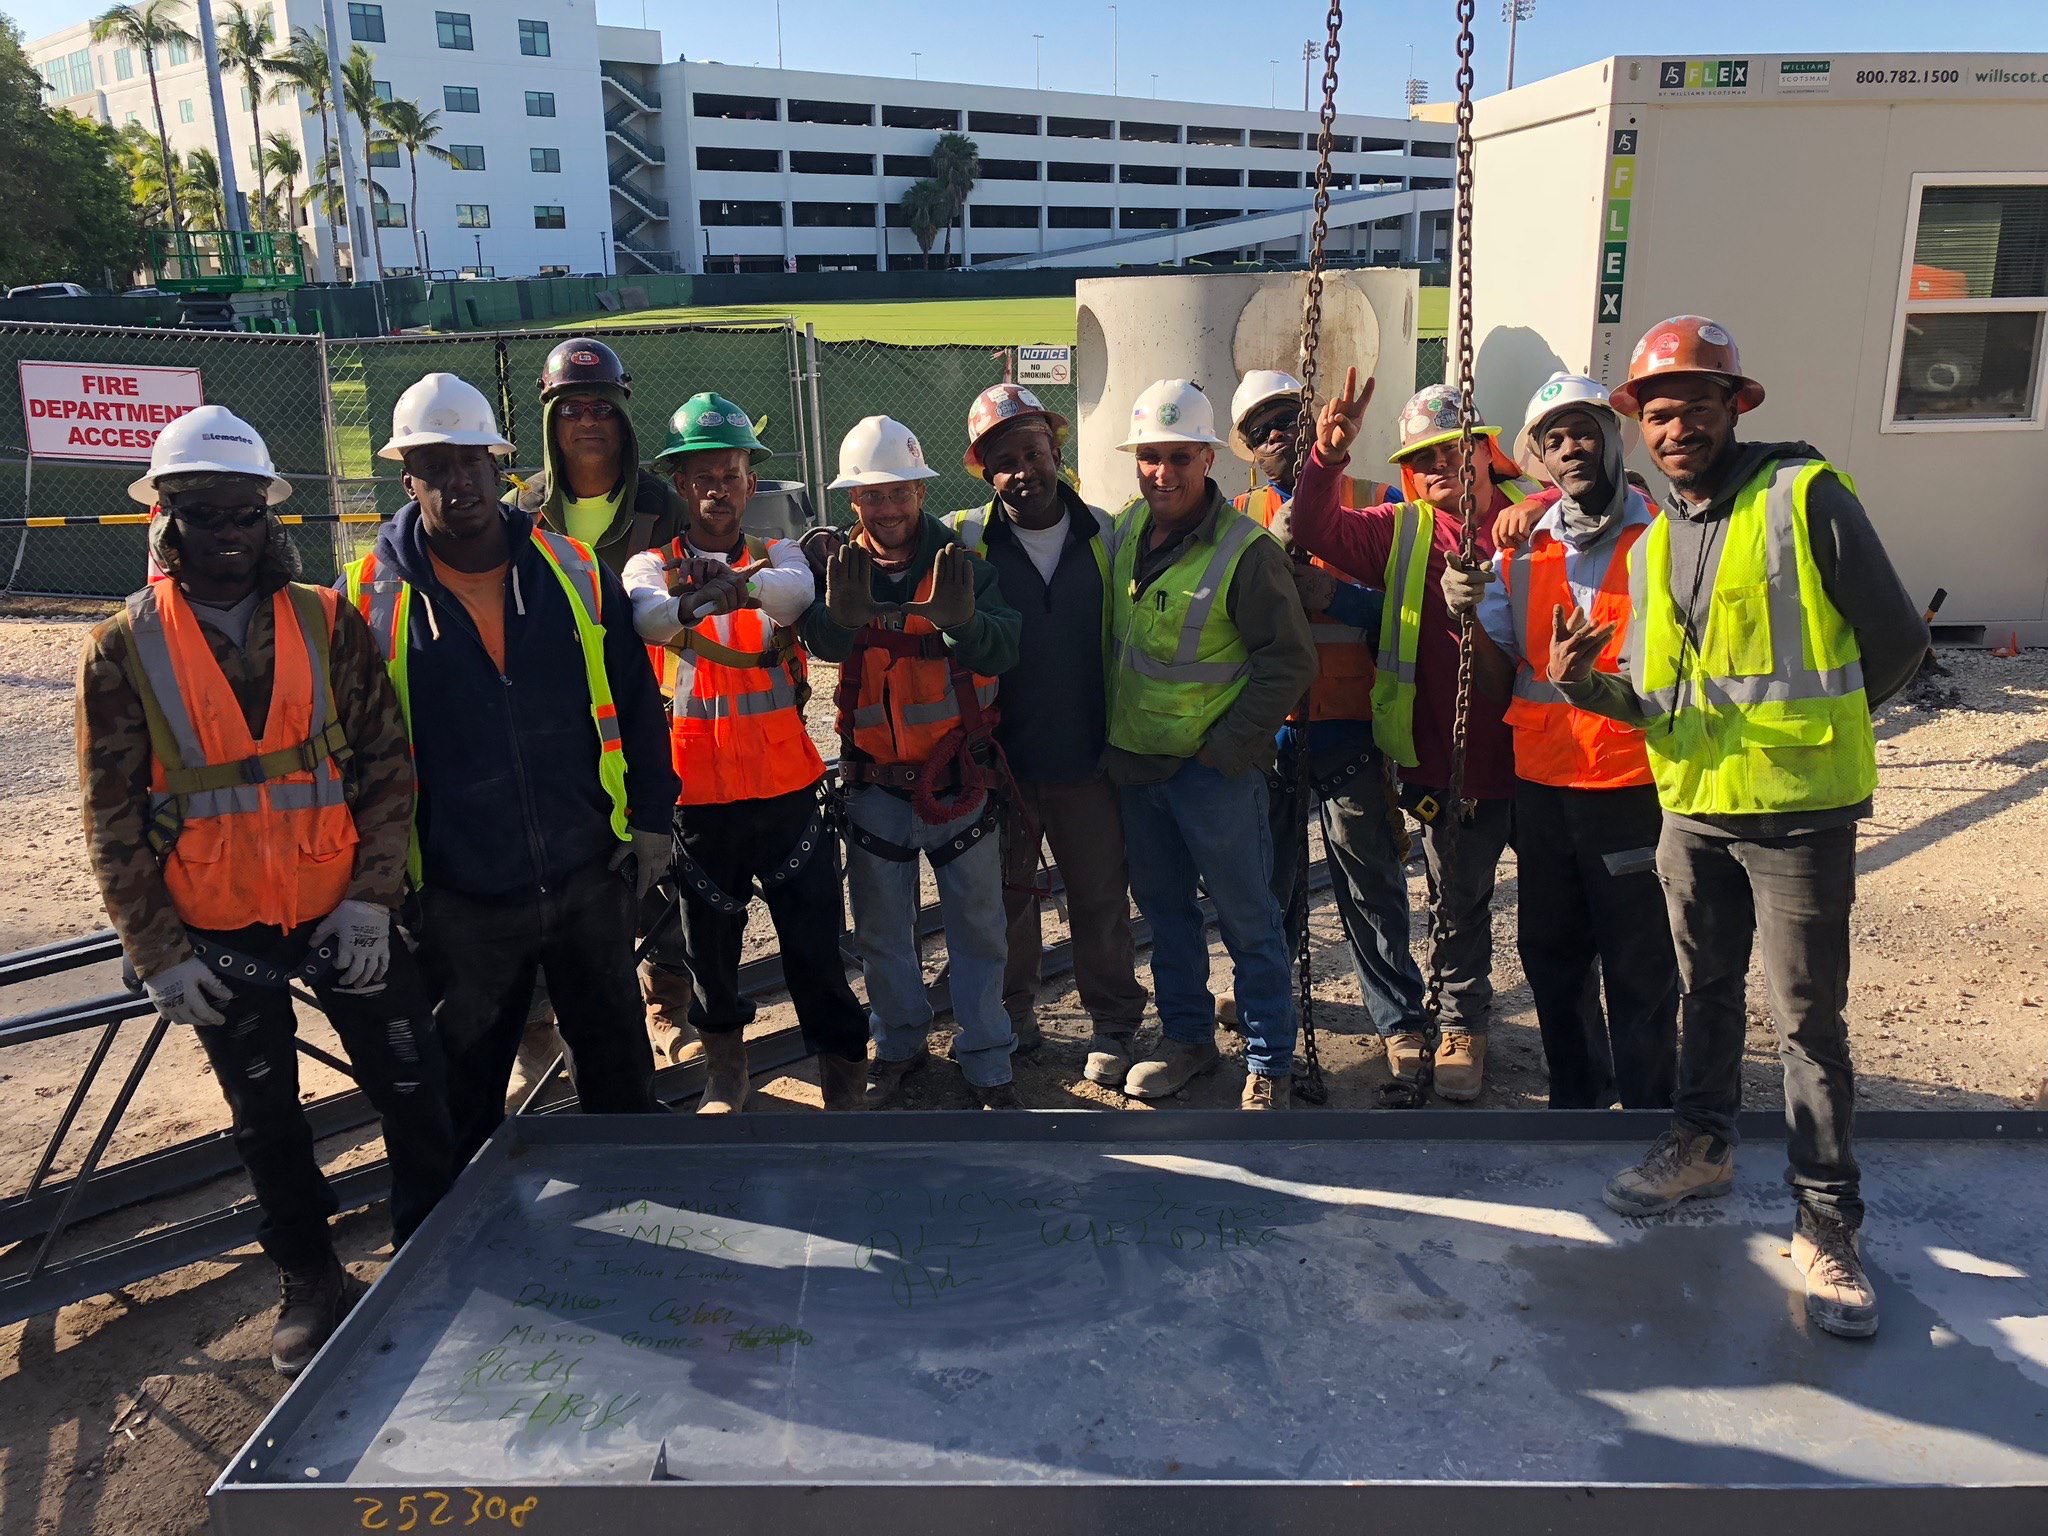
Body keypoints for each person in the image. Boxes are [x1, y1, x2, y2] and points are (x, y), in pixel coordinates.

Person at [1552, 316, 1926, 1339]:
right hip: (1692, 811)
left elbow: (1896, 644)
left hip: (1797, 816)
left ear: (1733, 407)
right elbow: (1663, 698)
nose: (1675, 427)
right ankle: (1699, 1146)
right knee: (1702, 997)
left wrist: (1815, 743)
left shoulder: (1802, 498)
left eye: (1695, 407)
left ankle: (1825, 1224)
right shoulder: (1657, 534)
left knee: (1806, 1025)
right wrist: (1585, 685)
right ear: (1639, 424)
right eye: (1657, 411)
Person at [78, 407, 456, 1376]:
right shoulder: (122, 650)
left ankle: (435, 1249)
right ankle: (311, 1276)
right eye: (205, 514)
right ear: (165, 520)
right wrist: (157, 953)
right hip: (218, 923)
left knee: (415, 1085)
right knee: (266, 1121)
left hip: (341, 905)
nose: (230, 533)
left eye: (245, 513)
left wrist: (373, 896)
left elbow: (385, 764)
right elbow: (111, 816)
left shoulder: (324, 620)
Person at [344, 374, 679, 1160]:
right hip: (460, 898)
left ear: (500, 468)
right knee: (464, 1101)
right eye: (435, 466)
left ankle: (644, 1228)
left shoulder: (572, 571)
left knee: (621, 1081)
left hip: (588, 873)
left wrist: (655, 817)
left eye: (472, 463)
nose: (457, 483)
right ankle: (468, 1252)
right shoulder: (366, 597)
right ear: (407, 477)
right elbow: (351, 751)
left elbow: (635, 703)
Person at [1283, 378, 1544, 1101]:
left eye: (1452, 451)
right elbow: (1314, 530)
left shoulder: (1537, 523)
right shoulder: (1404, 532)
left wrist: (1541, 504)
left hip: (1546, 758)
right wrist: (1327, 460)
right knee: (1457, 905)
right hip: (1448, 762)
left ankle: (1574, 1026)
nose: (1438, 469)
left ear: (1485, 453)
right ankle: (1462, 1026)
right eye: (1422, 458)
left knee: (1560, 909)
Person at [623, 394, 869, 1113]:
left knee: (815, 952)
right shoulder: (651, 564)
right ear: (680, 484)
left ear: (749, 483)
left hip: (786, 792)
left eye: (729, 474)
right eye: (701, 475)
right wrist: (695, 602)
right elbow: (645, 613)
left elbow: (794, 597)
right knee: (711, 961)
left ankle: (843, 1075)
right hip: (698, 798)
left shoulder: (779, 556)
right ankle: (725, 1072)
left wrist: (735, 585)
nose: (716, 489)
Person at [1440, 372, 1678, 1109]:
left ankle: (1647, 1111)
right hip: (1543, 785)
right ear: (1539, 458)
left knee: (1639, 963)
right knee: (1551, 956)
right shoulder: (1523, 550)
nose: (1570, 447)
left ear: (1612, 439)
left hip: (1630, 785)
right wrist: (1464, 613)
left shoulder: (1661, 542)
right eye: (1554, 439)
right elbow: (1505, 659)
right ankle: (1576, 1102)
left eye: (1584, 432)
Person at [797, 416, 1023, 1108]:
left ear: (921, 494)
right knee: (883, 935)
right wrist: (834, 615)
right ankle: (899, 1045)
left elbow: (1003, 652)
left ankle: (987, 1059)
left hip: (958, 785)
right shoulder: (842, 569)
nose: (887, 509)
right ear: (854, 503)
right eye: (872, 496)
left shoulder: (963, 568)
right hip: (874, 787)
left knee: (979, 931)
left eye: (899, 493)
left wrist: (962, 621)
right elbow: (827, 646)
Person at [1104, 379, 1317, 1110]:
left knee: (1248, 919)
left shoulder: (1245, 553)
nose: (1162, 473)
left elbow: (1289, 663)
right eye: (1150, 457)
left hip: (1212, 776)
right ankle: (1188, 1039)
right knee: (1165, 917)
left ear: (1206, 460)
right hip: (1140, 768)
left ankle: (1269, 1061)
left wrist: (1225, 752)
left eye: (1178, 458)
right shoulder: (1130, 530)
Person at [943, 384, 1149, 1087]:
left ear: (1057, 452)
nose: (1022, 470)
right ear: (984, 472)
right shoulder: (967, 538)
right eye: (1004, 460)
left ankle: (1114, 1023)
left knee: (1099, 899)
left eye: (1033, 451)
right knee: (1005, 900)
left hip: (1087, 756)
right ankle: (1012, 1014)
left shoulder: (1105, 535)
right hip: (1000, 764)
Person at [1227, 368, 1428, 1060]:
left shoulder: (1380, 505)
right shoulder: (1233, 517)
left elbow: (1412, 618)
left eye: (1291, 417)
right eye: (1263, 429)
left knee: (1370, 880)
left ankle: (1400, 1020)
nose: (1281, 434)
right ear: (1246, 448)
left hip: (1352, 726)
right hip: (1269, 733)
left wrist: (1335, 598)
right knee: (1268, 882)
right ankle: (1268, 998)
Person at [507, 337, 694, 1075]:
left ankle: (667, 1003)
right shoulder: (520, 511)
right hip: (560, 726)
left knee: (656, 862)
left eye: (602, 409)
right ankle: (538, 1025)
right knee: (557, 872)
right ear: (552, 422)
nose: (588, 423)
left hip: (651, 710)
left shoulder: (660, 505)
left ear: (622, 418)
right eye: (572, 410)